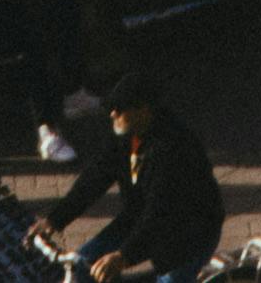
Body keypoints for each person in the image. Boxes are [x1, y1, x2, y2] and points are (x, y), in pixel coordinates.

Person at [43, 80, 222, 283]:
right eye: (112, 109)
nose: (113, 114)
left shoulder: (172, 149)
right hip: (138, 219)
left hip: (186, 231)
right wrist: (55, 220)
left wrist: (124, 256)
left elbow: (160, 212)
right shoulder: (125, 134)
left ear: (143, 110)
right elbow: (95, 178)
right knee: (82, 266)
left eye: (119, 109)